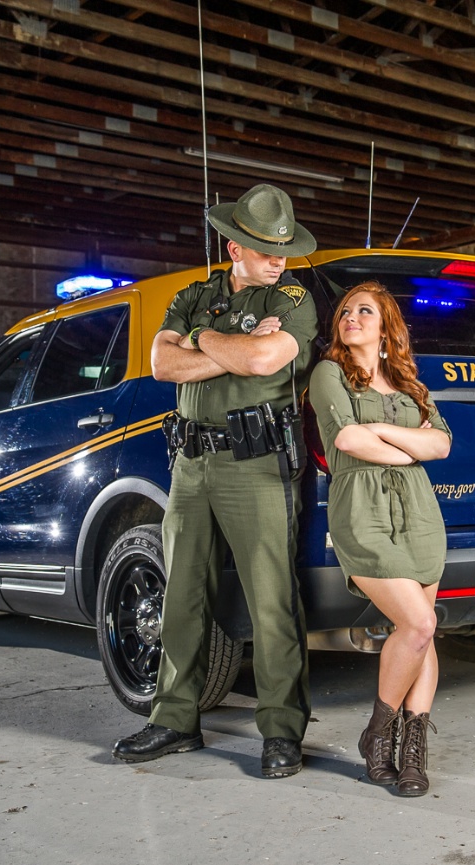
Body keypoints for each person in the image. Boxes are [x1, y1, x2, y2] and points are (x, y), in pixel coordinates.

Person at [112, 184, 319, 778]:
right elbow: (162, 364)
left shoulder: (294, 298)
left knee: (271, 599)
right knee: (181, 595)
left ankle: (281, 733)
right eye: (265, 250)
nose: (278, 260)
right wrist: (233, 343)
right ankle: (175, 720)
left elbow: (262, 361)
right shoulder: (193, 295)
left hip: (255, 464)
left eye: (283, 250)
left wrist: (202, 340)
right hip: (189, 464)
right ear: (234, 247)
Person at [307, 281, 452, 796]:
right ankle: (378, 732)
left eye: (364, 311)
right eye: (346, 311)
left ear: (387, 327)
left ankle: (411, 752)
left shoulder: (410, 384)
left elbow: (442, 443)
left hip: (420, 512)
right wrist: (410, 448)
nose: (351, 317)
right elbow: (347, 437)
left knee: (422, 634)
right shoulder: (329, 373)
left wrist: (384, 434)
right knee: (418, 622)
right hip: (361, 507)